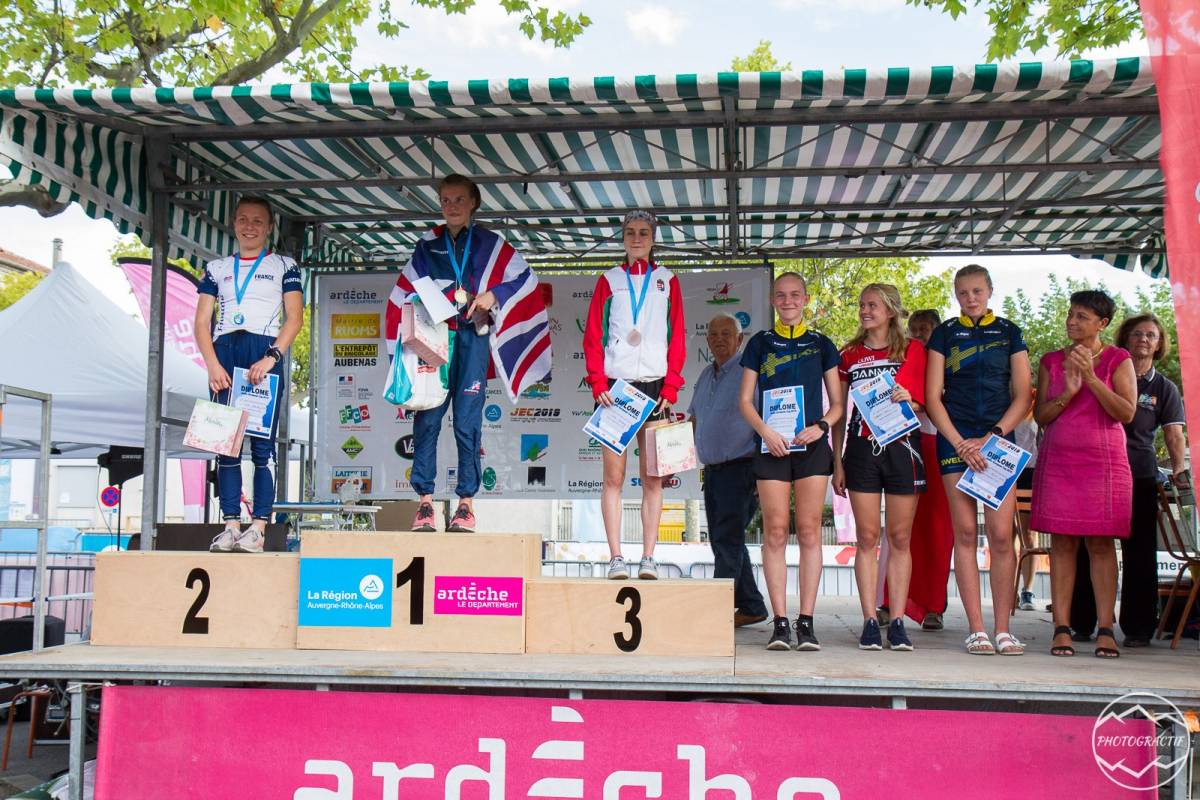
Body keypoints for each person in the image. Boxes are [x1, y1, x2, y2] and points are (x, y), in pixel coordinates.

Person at [385, 174, 546, 533]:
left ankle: (465, 504)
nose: (452, 206)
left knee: (468, 423)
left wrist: (493, 296)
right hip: (435, 341)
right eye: (445, 200)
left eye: (459, 199)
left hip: (473, 339)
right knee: (426, 418)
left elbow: (524, 279)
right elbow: (409, 289)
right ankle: (425, 503)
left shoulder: (491, 244)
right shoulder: (428, 245)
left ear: (474, 202)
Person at [925, 264, 1031, 655]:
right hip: (955, 441)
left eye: (977, 291)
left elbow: (1023, 393)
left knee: (1002, 536)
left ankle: (1003, 629)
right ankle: (976, 629)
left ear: (989, 292)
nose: (970, 298)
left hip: (998, 443)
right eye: (963, 292)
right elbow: (933, 396)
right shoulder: (945, 334)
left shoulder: (1008, 332)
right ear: (956, 295)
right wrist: (959, 442)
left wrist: (993, 437)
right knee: (966, 533)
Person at [1069, 314, 1188, 647]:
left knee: (1139, 553)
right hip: (1096, 469)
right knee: (1087, 548)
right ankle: (1082, 622)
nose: (1144, 339)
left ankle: (1137, 628)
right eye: (1137, 333)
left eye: (1151, 335)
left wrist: (1179, 468)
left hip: (1139, 473)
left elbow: (1174, 433)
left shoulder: (1164, 387)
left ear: (1160, 343)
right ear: (1124, 337)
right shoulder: (1105, 373)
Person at [739, 272, 843, 651]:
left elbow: (837, 404)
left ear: (806, 298)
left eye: (795, 295)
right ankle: (780, 621)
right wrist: (765, 432)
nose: (788, 301)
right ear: (771, 300)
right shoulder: (760, 343)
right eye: (781, 295)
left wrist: (820, 426)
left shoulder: (822, 344)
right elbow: (745, 401)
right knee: (776, 531)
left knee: (811, 530)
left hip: (811, 445)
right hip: (772, 445)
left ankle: (807, 621)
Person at [196, 196, 304, 554]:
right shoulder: (215, 268)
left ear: (269, 226)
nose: (249, 227)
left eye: (258, 221)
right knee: (225, 445)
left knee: (262, 447)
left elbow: (295, 318)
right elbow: (201, 322)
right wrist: (212, 363)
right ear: (233, 223)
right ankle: (230, 524)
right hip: (224, 351)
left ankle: (258, 526)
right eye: (243, 219)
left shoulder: (284, 266)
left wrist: (272, 356)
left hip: (262, 354)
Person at [1032, 290, 1136, 659]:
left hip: (1104, 464)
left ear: (1102, 323)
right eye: (1070, 315)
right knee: (1061, 544)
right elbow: (1040, 417)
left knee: (1101, 544)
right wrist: (1068, 394)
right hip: (1060, 461)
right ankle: (1062, 627)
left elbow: (1126, 413)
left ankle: (1106, 628)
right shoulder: (1050, 361)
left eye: (1081, 316)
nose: (1072, 322)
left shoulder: (1118, 359)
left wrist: (1091, 379)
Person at [583, 210, 686, 580]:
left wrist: (672, 386)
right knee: (613, 478)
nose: (637, 239)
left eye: (643, 233)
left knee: (653, 479)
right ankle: (615, 558)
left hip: (657, 389)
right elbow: (593, 335)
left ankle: (648, 557)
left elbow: (677, 336)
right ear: (623, 238)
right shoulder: (608, 280)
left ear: (653, 238)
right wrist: (597, 383)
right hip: (616, 389)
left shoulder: (667, 280)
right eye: (630, 233)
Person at [832, 284, 927, 651]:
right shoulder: (849, 355)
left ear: (890, 310)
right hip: (861, 449)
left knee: (900, 538)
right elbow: (840, 414)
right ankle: (870, 619)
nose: (864, 310)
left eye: (872, 305)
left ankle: (898, 620)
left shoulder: (913, 350)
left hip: (904, 447)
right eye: (861, 305)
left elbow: (929, 399)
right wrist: (837, 461)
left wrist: (914, 401)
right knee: (867, 539)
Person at [690, 313, 769, 627]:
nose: (719, 339)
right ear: (707, 340)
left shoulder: (750, 373)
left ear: (740, 339)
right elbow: (693, 420)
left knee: (727, 540)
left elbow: (766, 420)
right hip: (713, 471)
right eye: (713, 334)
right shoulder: (704, 376)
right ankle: (751, 605)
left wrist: (762, 472)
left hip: (743, 468)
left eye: (727, 333)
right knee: (726, 539)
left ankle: (716, 611)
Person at [901, 309, 956, 631]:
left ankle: (934, 605)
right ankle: (892, 600)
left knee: (937, 530)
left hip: (938, 444)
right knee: (900, 531)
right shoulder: (904, 359)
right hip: (905, 444)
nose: (921, 335)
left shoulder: (949, 363)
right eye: (915, 329)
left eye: (927, 330)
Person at [1011, 395, 1039, 611]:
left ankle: (1027, 590)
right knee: (1003, 533)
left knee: (1028, 533)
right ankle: (1007, 590)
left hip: (1029, 468)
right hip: (1000, 462)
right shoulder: (998, 390)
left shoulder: (1034, 396)